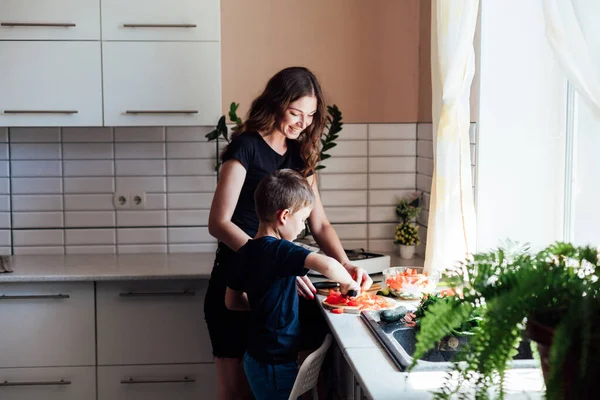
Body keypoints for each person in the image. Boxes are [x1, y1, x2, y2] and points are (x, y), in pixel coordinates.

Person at [205, 66, 373, 400]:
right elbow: (219, 222)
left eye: (310, 115)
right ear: (275, 104)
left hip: (280, 288)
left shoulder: (301, 154)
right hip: (238, 275)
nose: (303, 123)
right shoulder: (246, 147)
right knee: (235, 392)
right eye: (295, 112)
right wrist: (273, 259)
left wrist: (347, 265)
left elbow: (320, 224)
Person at [225, 169, 361, 400]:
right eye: (303, 220)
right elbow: (327, 265)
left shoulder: (244, 252)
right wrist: (349, 283)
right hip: (275, 362)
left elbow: (232, 302)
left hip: (257, 358)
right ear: (284, 216)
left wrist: (265, 305)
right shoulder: (282, 250)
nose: (303, 228)